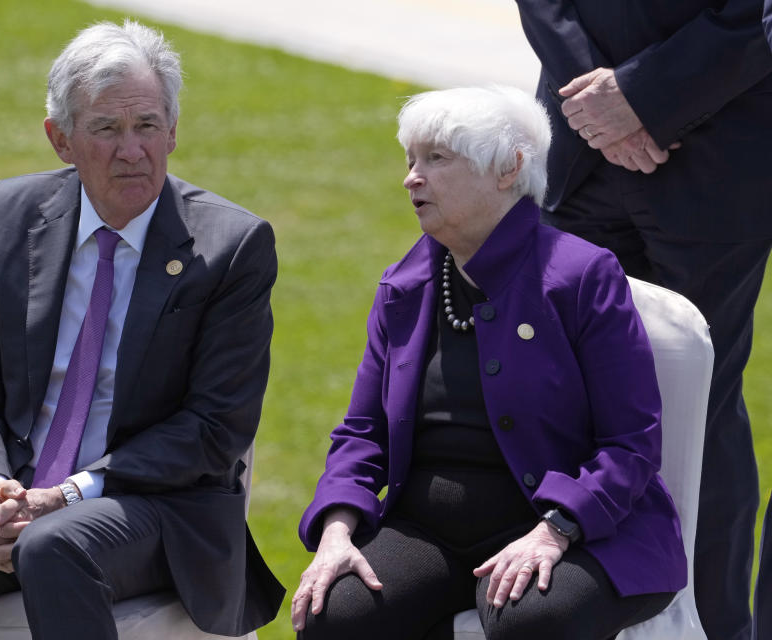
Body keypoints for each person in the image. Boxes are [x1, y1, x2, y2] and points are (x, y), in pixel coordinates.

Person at [0, 19, 284, 640]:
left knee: (52, 546)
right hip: (15, 486)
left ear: (173, 130)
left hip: (156, 504)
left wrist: (65, 495)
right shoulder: (11, 216)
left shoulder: (231, 246)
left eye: (147, 125)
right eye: (106, 129)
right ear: (59, 139)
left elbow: (213, 430)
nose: (132, 149)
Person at [290, 86, 684, 640]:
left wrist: (556, 529)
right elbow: (362, 434)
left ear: (509, 169)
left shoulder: (581, 276)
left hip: (573, 530)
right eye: (410, 160)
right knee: (333, 613)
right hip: (428, 531)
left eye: (437, 159)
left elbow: (632, 442)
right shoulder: (405, 285)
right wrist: (337, 529)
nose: (411, 178)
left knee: (536, 620)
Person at [511, 4, 772, 639]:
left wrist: (645, 97)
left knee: (701, 407)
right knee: (562, 400)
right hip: (577, 149)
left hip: (719, 153)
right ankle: (564, 610)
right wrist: (599, 106)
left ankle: (711, 625)